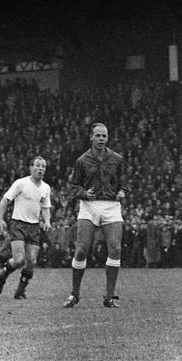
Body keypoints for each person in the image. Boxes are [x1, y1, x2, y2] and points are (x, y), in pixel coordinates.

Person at [63, 123, 127, 308]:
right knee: (82, 249)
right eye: (98, 135)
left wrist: (122, 191)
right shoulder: (82, 160)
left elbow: (124, 182)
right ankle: (74, 294)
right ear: (91, 137)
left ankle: (109, 297)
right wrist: (84, 194)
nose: (101, 139)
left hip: (111, 206)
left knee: (115, 249)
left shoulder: (117, 159)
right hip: (89, 206)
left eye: (104, 136)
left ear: (107, 138)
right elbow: (74, 186)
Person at [0, 156, 52, 299]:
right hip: (18, 224)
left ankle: (20, 292)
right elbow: (5, 200)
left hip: (34, 227)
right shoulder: (21, 183)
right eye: (38, 166)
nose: (41, 169)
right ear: (31, 167)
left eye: (43, 166)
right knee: (19, 259)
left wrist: (47, 221)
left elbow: (45, 207)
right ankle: (3, 275)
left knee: (31, 261)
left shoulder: (46, 187)